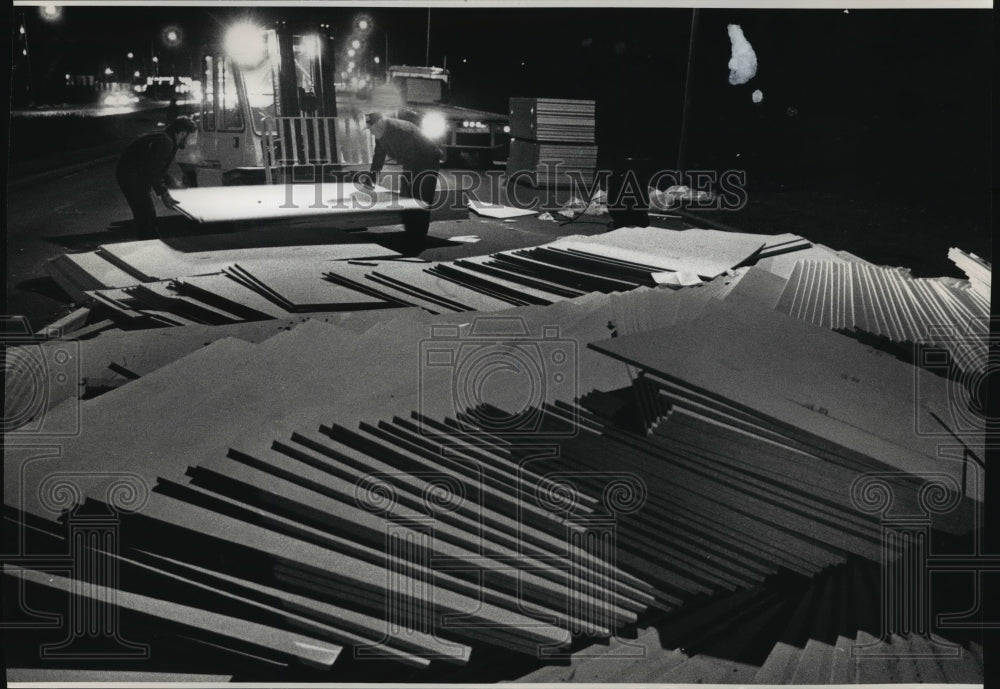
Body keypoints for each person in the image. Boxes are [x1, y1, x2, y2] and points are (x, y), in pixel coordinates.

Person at [359, 112, 441, 254]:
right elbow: (378, 156)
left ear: (379, 123)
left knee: (420, 199)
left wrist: (408, 183)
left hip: (427, 160)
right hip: (413, 162)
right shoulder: (381, 134)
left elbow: (411, 157)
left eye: (371, 129)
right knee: (406, 199)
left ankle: (418, 241)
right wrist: (370, 180)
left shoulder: (400, 130)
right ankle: (410, 236)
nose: (371, 133)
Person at [115, 117, 197, 238]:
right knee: (145, 213)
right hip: (132, 176)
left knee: (146, 213)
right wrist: (164, 194)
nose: (191, 141)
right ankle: (149, 241)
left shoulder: (166, 139)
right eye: (191, 136)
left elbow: (159, 168)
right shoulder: (166, 142)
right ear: (183, 132)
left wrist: (172, 183)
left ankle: (149, 238)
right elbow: (152, 171)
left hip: (133, 174)